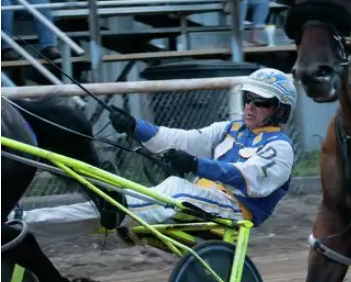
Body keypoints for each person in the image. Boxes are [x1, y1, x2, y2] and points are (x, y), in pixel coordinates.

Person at [21, 68, 298, 235]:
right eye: (248, 98)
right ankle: (24, 224)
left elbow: (245, 176)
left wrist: (195, 164)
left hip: (234, 211)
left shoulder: (279, 148)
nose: (250, 106)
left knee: (164, 190)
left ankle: (30, 221)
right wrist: (133, 126)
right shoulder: (230, 129)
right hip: (200, 200)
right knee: (125, 196)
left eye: (261, 102)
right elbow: (183, 139)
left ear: (280, 109)